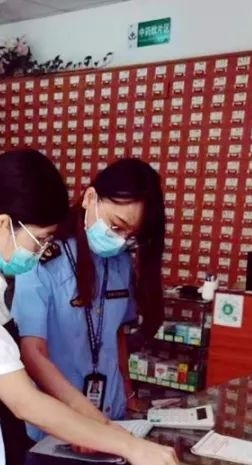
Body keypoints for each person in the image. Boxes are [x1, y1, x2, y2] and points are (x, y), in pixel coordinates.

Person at [0, 149, 182, 465]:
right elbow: (25, 401)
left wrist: (98, 423)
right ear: (2, 225)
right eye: (39, 240)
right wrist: (129, 446)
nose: (40, 251)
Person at [13, 158, 165, 434]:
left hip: (112, 413)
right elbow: (32, 352)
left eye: (131, 235)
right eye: (116, 226)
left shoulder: (120, 261)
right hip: (60, 420)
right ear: (90, 198)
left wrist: (128, 395)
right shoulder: (42, 258)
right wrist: (84, 415)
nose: (121, 240)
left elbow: (116, 334)